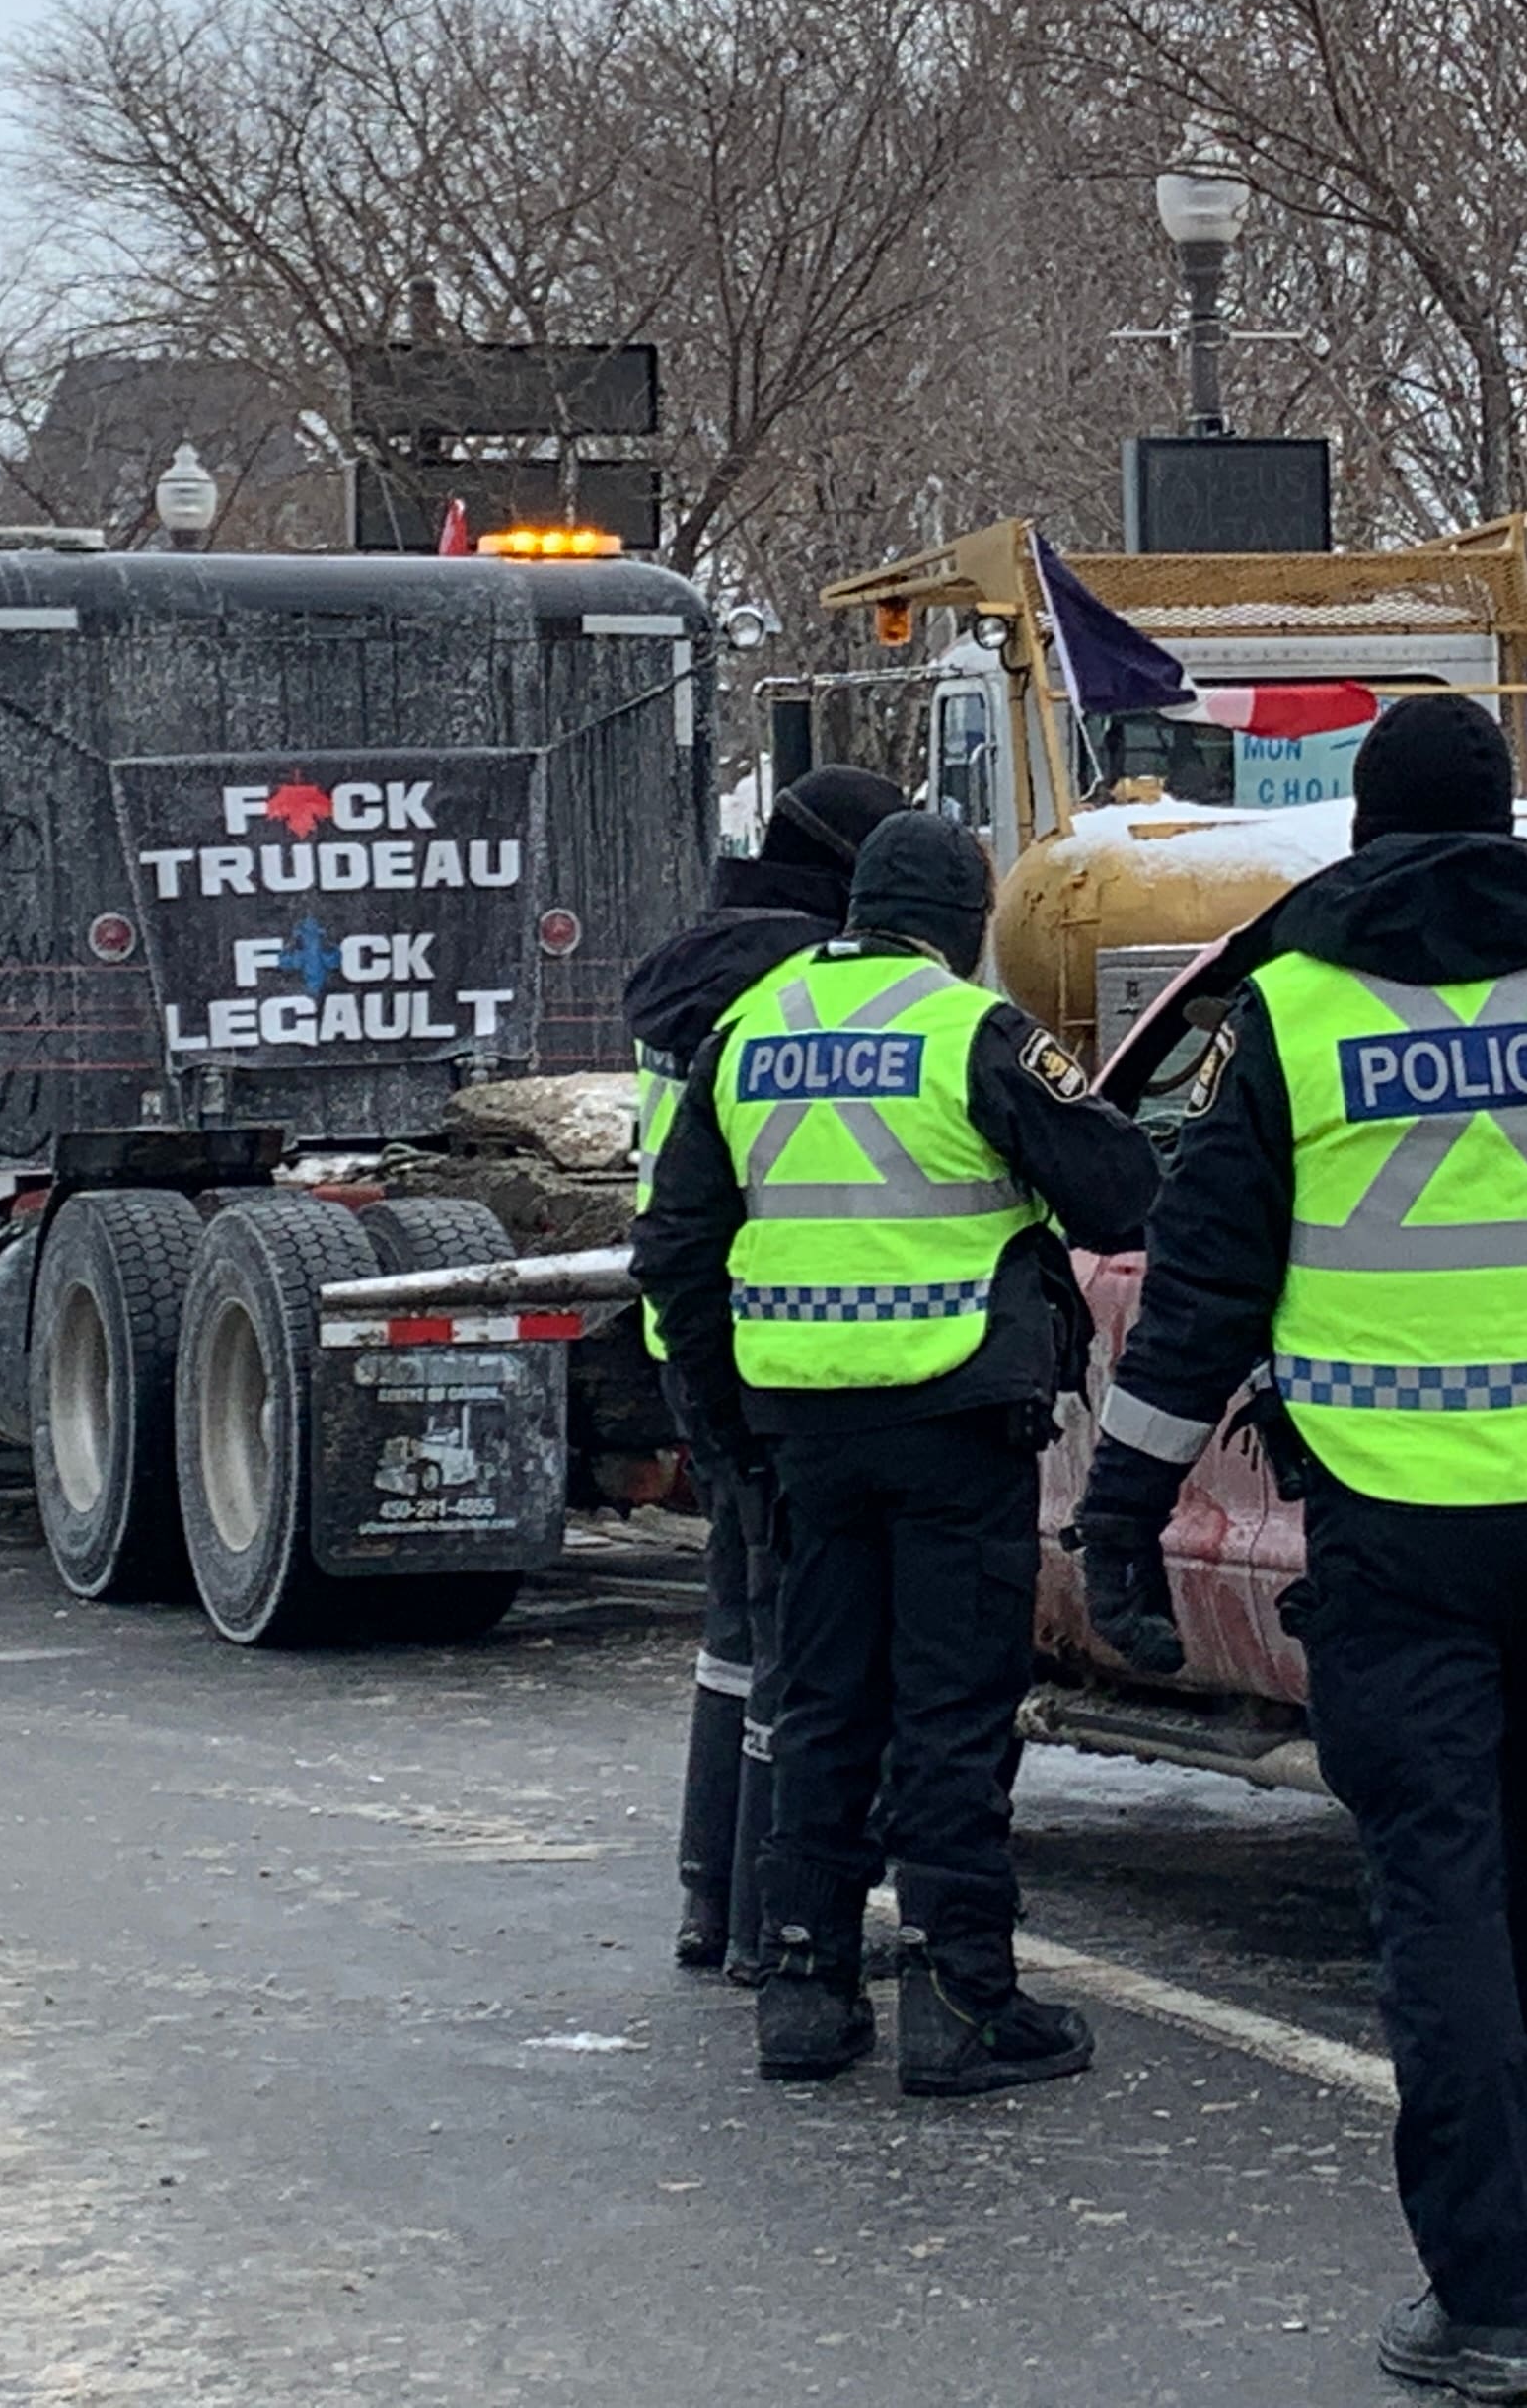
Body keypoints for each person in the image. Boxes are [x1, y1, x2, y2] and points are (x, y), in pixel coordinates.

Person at [1070, 693, 1527, 2403]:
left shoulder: (1294, 1016)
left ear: (1368, 831)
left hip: (1395, 1536)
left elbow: (1195, 1304)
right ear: (1510, 824)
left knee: (1439, 1901)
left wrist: (1122, 1514)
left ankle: (1485, 2308)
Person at [634, 812, 1160, 2095]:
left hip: (802, 1434)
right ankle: (959, 1996)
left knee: (822, 1702)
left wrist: (727, 1436)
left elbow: (678, 1254)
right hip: (952, 1428)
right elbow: (1120, 1190)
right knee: (949, 1711)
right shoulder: (970, 1033)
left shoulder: (745, 1035)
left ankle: (805, 1988)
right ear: (966, 922)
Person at [618, 763, 911, 1978]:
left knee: (737, 1633)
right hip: (795, 1344)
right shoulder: (805, 993)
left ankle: (711, 1897)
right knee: (807, 1641)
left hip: (693, 1340)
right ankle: (765, 1924)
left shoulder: (697, 969)